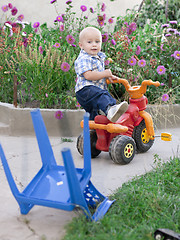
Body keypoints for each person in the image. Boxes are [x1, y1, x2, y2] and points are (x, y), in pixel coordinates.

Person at [74, 26, 128, 122]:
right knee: (102, 95)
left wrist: (108, 76)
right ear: (81, 45)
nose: (94, 45)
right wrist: (105, 73)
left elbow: (98, 74)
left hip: (92, 91)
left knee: (94, 114)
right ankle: (110, 109)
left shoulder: (97, 57)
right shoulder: (84, 58)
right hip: (86, 90)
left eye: (97, 42)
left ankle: (92, 133)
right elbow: (88, 75)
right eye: (89, 42)